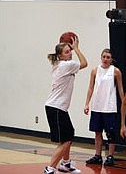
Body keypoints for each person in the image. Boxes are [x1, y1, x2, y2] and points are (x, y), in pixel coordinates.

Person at [44, 35, 87, 174]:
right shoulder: (67, 65)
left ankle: (66, 164)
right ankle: (50, 168)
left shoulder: (59, 63)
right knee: (65, 140)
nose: (71, 53)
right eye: (67, 51)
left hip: (58, 107)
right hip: (56, 107)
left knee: (69, 135)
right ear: (61, 56)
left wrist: (69, 46)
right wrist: (77, 48)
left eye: (71, 50)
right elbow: (85, 63)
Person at [84, 48, 124, 166]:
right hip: (97, 106)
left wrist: (124, 103)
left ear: (111, 59)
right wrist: (87, 103)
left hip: (109, 107)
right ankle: (98, 155)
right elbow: (90, 87)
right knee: (97, 132)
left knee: (111, 133)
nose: (105, 59)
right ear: (101, 57)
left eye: (108, 57)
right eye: (104, 57)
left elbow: (120, 88)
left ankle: (110, 156)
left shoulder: (116, 71)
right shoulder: (95, 70)